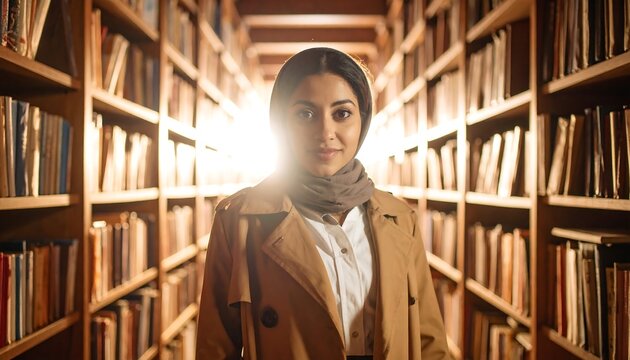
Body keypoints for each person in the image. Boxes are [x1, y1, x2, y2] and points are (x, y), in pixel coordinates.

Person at [196, 47, 451, 359]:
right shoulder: (238, 220)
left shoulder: (399, 217)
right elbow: (215, 349)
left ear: (363, 120)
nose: (325, 132)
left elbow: (429, 342)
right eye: (305, 114)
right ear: (281, 123)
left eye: (342, 113)